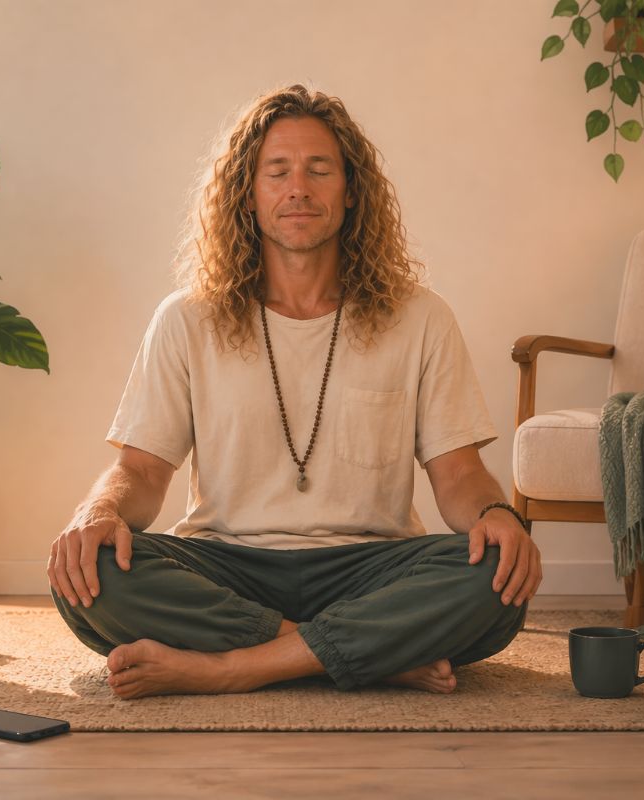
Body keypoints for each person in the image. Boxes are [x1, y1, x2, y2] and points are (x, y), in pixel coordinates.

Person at [48, 84, 541, 700]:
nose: (298, 189)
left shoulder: (421, 317)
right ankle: (366, 654)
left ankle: (231, 667)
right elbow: (142, 472)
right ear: (249, 196)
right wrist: (97, 513)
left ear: (351, 189)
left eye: (319, 170)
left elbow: (459, 474)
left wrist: (498, 516)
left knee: (497, 573)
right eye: (277, 171)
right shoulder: (186, 318)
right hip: (228, 562)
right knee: (90, 570)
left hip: (370, 566)